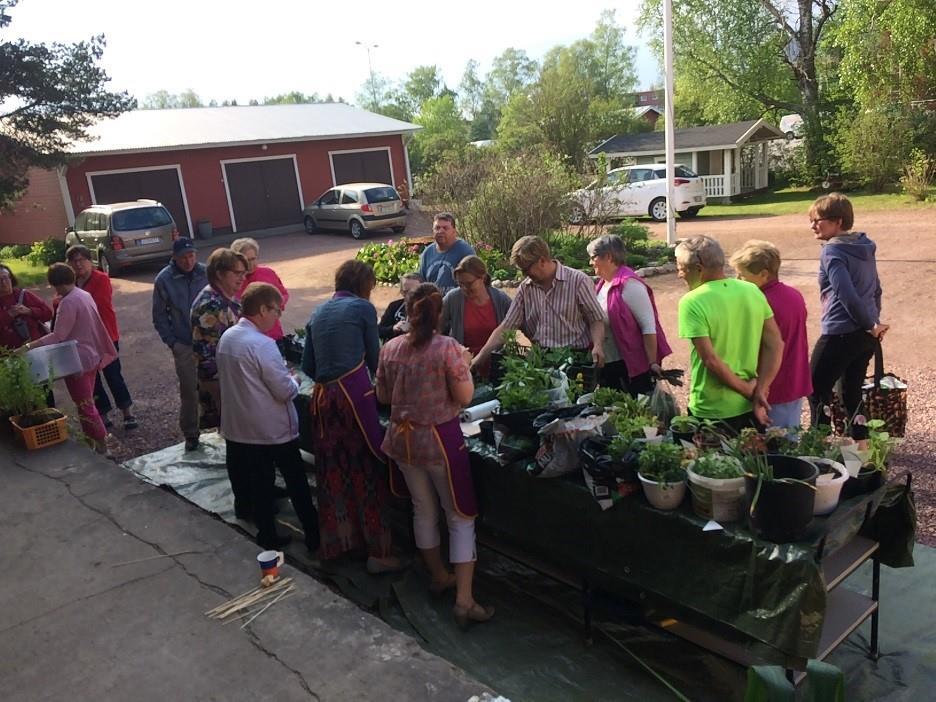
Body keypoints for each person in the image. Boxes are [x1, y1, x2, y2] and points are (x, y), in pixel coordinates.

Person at [377, 283, 494, 629]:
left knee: (422, 509)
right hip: (438, 440)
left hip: (401, 440)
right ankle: (464, 599)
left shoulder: (392, 347)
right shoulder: (447, 350)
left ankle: (439, 575)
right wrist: (466, 366)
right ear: (440, 314)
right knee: (459, 515)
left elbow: (382, 395)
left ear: (408, 312)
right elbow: (466, 395)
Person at [301, 260, 402, 572]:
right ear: (364, 286)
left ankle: (341, 543)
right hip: (353, 400)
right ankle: (379, 553)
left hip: (323, 400)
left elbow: (308, 366)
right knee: (366, 471)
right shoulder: (362, 309)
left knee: (332, 472)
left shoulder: (318, 312)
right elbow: (376, 360)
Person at [217, 282, 320, 552]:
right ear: (262, 309)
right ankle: (313, 533)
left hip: (242, 427)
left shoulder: (228, 337)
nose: (278, 316)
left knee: (260, 482)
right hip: (271, 429)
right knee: (296, 480)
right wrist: (294, 380)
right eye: (276, 310)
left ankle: (267, 533)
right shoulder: (262, 345)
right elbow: (284, 390)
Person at [675, 235, 783, 432]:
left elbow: (711, 361)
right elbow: (775, 344)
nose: (679, 274)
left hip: (711, 409)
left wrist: (748, 391)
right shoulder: (752, 290)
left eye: (681, 268)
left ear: (698, 269)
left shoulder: (691, 302)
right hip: (748, 406)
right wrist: (759, 390)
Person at [807, 193, 887, 441]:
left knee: (815, 388)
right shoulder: (864, 246)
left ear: (838, 221)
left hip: (840, 331)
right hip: (865, 335)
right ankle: (861, 449)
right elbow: (876, 288)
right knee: (851, 393)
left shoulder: (833, 250)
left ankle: (817, 446)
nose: (812, 225)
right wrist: (873, 323)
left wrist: (869, 323)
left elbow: (846, 294)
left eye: (817, 220)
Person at [471, 235, 606, 371]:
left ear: (541, 260)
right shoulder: (525, 288)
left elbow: (595, 319)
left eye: (526, 269)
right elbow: (507, 326)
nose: (524, 274)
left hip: (574, 361)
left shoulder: (578, 281)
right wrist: (480, 357)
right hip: (540, 361)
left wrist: (598, 345)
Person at [23, 263, 116, 455]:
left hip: (77, 361)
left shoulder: (69, 302)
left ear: (56, 283)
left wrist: (29, 346)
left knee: (85, 406)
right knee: (87, 402)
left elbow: (59, 335)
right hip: (91, 355)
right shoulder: (83, 294)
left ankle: (103, 448)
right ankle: (93, 443)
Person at [730, 240, 813, 429]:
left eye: (742, 276)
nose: (737, 280)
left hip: (770, 386)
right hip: (794, 379)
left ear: (763, 275)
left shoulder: (757, 301)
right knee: (787, 441)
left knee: (767, 447)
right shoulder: (794, 295)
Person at [588, 234, 672, 396]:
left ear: (609, 257)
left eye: (593, 257)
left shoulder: (630, 285)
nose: (590, 263)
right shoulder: (603, 284)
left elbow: (648, 326)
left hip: (630, 367)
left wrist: (652, 363)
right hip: (610, 363)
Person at [65, 245, 136, 431]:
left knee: (113, 375)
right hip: (85, 341)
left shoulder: (101, 279)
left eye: (82, 260)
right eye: (74, 261)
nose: (79, 264)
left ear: (90, 261)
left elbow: (95, 304)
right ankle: (102, 414)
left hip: (106, 336)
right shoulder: (71, 283)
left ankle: (127, 412)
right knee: (92, 380)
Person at [152, 237, 209, 452]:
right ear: (174, 258)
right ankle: (191, 433)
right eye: (183, 257)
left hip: (209, 341)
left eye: (192, 255)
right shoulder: (164, 280)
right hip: (184, 343)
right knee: (189, 390)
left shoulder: (206, 272)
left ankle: (224, 426)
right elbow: (159, 316)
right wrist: (172, 342)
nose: (188, 261)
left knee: (217, 384)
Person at [191, 248, 246, 431]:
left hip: (229, 378)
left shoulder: (224, 298)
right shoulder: (211, 305)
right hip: (220, 381)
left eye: (243, 273)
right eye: (236, 273)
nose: (242, 278)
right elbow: (215, 353)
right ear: (219, 274)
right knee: (234, 431)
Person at [440, 256, 511, 378]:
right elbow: (436, 326)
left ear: (482, 278)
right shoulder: (453, 298)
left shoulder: (500, 299)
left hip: (495, 365)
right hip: (463, 367)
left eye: (468, 283)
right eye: (460, 284)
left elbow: (519, 319)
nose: (464, 288)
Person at [231, 237, 289, 343]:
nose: (251, 263)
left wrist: (274, 306)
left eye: (253, 259)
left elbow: (283, 294)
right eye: (247, 260)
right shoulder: (233, 280)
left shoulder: (268, 273)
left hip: (274, 335)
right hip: (248, 338)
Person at [417, 212, 475, 293]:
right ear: (433, 231)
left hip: (456, 303)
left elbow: (473, 283)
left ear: (454, 231)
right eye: (437, 228)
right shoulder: (427, 253)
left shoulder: (465, 251)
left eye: (445, 228)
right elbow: (421, 281)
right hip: (433, 302)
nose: (440, 231)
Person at [0, 263, 53, 351]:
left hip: (35, 349)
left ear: (11, 278)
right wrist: (8, 315)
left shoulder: (24, 295)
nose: (3, 282)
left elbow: (48, 313)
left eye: (5, 278)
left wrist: (29, 311)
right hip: (8, 354)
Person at [378, 272, 422, 341]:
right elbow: (379, 330)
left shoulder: (427, 308)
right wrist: (393, 328)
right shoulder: (395, 306)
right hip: (395, 347)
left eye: (414, 291)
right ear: (401, 291)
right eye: (406, 291)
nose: (410, 295)